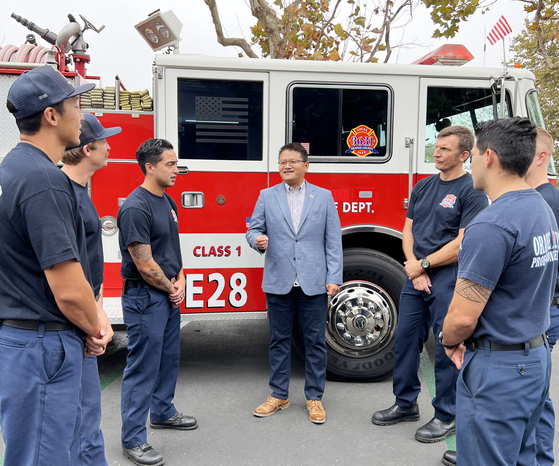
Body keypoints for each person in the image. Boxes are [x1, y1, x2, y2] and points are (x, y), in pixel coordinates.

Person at [0, 66, 111, 465]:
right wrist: (96, 325)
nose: (81, 114)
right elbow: (66, 286)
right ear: (51, 115)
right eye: (75, 103)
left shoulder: (12, 168)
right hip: (43, 345)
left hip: (24, 341)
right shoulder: (44, 180)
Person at [440, 117, 557, 466]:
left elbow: (462, 317)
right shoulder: (541, 207)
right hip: (535, 357)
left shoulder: (492, 224)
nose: (470, 161)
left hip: (500, 370)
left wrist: (448, 341)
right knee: (526, 457)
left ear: (488, 157)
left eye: (472, 153)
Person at [372, 126, 488, 443]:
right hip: (417, 276)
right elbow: (407, 230)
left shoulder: (472, 191)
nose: (436, 152)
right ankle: (405, 403)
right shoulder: (423, 187)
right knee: (406, 339)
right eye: (436, 147)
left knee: (445, 347)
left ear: (464, 155)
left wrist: (425, 264)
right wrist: (414, 268)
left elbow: (463, 242)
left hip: (449, 277)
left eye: (445, 149)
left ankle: (447, 415)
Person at [246, 142, 343, 424]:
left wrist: (334, 277)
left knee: (315, 342)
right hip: (279, 280)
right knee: (279, 340)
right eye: (282, 162)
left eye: (292, 161)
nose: (286, 166)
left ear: (306, 165)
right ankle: (279, 395)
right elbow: (253, 229)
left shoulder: (323, 197)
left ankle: (314, 398)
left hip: (314, 282)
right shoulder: (267, 196)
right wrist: (257, 241)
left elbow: (333, 241)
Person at [118, 138, 196, 466]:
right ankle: (133, 439)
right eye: (170, 164)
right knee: (143, 367)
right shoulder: (136, 207)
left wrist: (179, 278)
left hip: (166, 294)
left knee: (168, 359)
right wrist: (171, 287)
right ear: (150, 167)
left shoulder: (168, 202)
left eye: (177, 164)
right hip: (145, 296)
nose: (177, 170)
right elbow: (144, 263)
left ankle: (162, 412)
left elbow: (169, 253)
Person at [62, 113, 121, 465]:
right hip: (77, 329)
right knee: (81, 422)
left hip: (83, 322)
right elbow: (69, 278)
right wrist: (93, 324)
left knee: (86, 420)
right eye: (105, 141)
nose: (111, 146)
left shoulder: (78, 192)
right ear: (88, 149)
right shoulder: (65, 195)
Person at [524, 127, 559, 466]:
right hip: (546, 307)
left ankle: (537, 458)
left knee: (534, 396)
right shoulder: (544, 198)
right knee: (536, 394)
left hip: (544, 309)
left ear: (541, 157)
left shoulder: (542, 201)